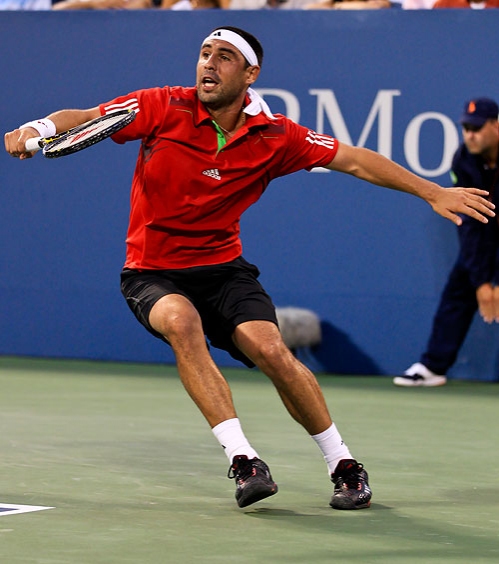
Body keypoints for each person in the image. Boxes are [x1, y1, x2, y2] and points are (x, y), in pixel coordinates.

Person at [4, 27, 495, 510]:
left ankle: (343, 464)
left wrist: (432, 191)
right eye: (204, 53)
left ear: (250, 73)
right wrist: (38, 128)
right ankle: (244, 460)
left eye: (224, 56)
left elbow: (354, 160)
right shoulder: (161, 105)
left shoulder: (277, 135)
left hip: (223, 270)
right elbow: (87, 118)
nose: (208, 64)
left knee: (271, 350)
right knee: (181, 322)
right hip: (152, 271)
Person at [395, 98, 499, 387]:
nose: (470, 135)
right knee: (461, 285)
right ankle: (433, 367)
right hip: (484, 234)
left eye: (477, 128)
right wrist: (482, 282)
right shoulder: (463, 160)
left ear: (496, 125)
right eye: (466, 128)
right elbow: (470, 223)